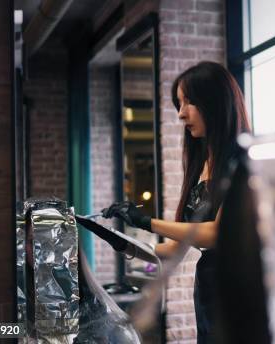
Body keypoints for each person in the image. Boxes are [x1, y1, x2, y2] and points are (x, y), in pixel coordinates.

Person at [102, 61, 250, 343]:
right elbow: (174, 250)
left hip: (237, 290)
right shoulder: (202, 164)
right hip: (208, 289)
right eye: (178, 104)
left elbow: (216, 233)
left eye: (189, 102)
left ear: (216, 103)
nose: (181, 114)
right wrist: (124, 243)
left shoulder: (241, 159)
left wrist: (146, 221)